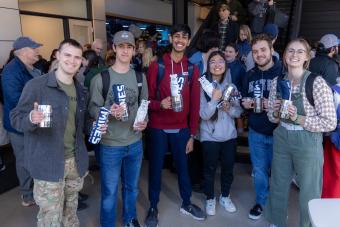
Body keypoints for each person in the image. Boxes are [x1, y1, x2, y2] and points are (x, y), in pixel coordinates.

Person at [10, 38, 90, 226]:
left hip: (74, 162)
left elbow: (83, 124)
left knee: (70, 215)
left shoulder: (81, 90)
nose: (72, 61)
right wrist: (31, 118)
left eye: (77, 57)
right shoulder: (37, 86)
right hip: (47, 163)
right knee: (50, 220)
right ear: (58, 56)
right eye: (68, 55)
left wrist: (96, 126)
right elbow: (16, 118)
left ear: (81, 61)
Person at [265, 38, 337, 227]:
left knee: (309, 190)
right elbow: (273, 119)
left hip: (308, 141)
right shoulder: (277, 82)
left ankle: (308, 224)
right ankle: (277, 221)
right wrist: (275, 109)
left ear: (307, 57)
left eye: (299, 52)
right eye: (290, 51)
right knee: (278, 185)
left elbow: (330, 122)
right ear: (284, 55)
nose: (294, 55)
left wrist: (299, 118)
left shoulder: (317, 83)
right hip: (282, 137)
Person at [145, 24, 205, 227]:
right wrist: (158, 104)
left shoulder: (192, 69)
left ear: (188, 41)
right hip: (158, 127)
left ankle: (186, 203)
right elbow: (147, 99)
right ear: (171, 39)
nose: (180, 40)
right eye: (176, 36)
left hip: (182, 129)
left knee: (183, 168)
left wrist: (192, 134)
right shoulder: (158, 66)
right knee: (155, 169)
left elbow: (195, 103)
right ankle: (153, 206)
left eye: (184, 37)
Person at [89, 30, 148, 227]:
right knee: (110, 191)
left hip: (135, 143)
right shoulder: (102, 78)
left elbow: (144, 106)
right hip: (110, 145)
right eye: (121, 46)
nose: (125, 50)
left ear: (134, 50)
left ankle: (130, 219)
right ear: (114, 48)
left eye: (129, 47)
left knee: (132, 188)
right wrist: (107, 110)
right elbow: (92, 108)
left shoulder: (140, 77)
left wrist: (144, 121)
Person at [241, 34, 282, 220]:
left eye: (263, 50)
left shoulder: (284, 72)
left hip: (280, 134)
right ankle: (261, 201)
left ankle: (278, 206)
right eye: (255, 51)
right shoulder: (249, 75)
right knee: (259, 171)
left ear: (272, 50)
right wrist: (245, 103)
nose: (259, 54)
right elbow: (243, 98)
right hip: (256, 132)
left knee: (281, 172)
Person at [200, 50, 243, 216]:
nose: (217, 65)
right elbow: (203, 115)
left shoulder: (232, 87)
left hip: (229, 136)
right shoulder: (202, 85)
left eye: (220, 62)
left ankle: (225, 196)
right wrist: (214, 100)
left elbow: (238, 112)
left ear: (225, 66)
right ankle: (210, 198)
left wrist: (229, 108)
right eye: (213, 62)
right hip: (209, 135)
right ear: (208, 65)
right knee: (209, 169)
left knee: (228, 169)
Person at [1, 36, 42, 207]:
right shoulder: (11, 72)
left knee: (35, 157)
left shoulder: (32, 68)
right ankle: (26, 195)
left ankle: (38, 190)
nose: (37, 51)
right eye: (34, 48)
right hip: (19, 125)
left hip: (34, 121)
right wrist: (39, 104)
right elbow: (16, 100)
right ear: (24, 52)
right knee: (24, 160)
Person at [188, 29, 220, 192]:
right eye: (216, 44)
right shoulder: (195, 61)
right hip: (194, 107)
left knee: (203, 144)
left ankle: (200, 178)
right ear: (211, 45)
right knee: (195, 144)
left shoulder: (213, 61)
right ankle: (194, 180)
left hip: (208, 107)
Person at [322, 78, 340, 198]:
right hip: (335, 143)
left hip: (334, 140)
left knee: (332, 178)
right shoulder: (335, 91)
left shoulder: (335, 90)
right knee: (332, 177)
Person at [225, 43, 246, 134]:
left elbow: (244, 84)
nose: (227, 53)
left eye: (230, 52)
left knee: (237, 114)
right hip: (222, 95)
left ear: (236, 53)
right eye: (226, 51)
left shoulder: (241, 67)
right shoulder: (221, 63)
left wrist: (239, 95)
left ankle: (239, 133)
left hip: (235, 96)